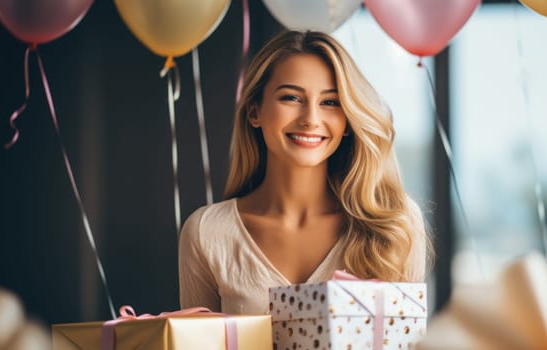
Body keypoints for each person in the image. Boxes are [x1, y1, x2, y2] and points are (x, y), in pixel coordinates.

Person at [178, 30, 432, 314]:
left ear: (347, 120)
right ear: (254, 112)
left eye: (330, 102)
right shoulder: (207, 232)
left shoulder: (397, 225)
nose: (311, 119)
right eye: (291, 98)